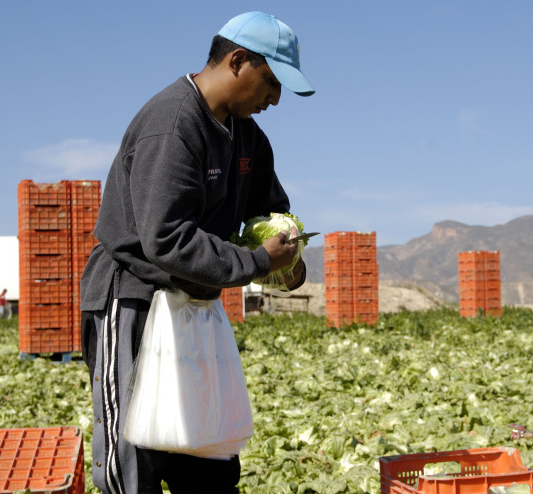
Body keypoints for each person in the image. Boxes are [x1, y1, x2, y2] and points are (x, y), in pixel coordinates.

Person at [78, 11, 314, 493]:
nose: (275, 98)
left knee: (205, 448)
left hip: (195, 304)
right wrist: (257, 262)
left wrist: (286, 266)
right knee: (135, 454)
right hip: (135, 299)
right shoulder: (173, 123)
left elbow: (271, 212)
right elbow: (165, 238)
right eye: (270, 82)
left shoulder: (248, 136)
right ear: (238, 61)